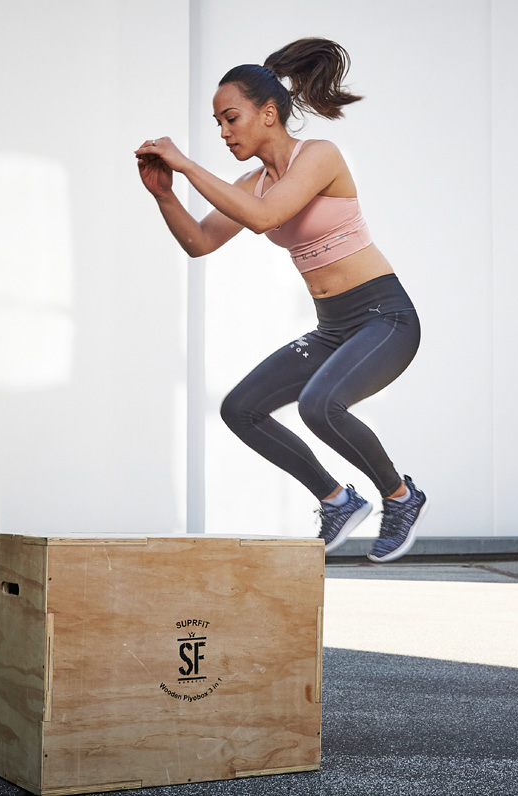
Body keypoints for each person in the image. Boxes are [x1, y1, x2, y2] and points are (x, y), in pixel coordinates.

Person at [135, 37, 428, 562]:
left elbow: (266, 218)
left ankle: (401, 497)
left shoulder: (318, 156)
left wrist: (184, 164)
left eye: (231, 119)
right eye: (218, 123)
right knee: (241, 409)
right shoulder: (252, 181)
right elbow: (199, 242)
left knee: (320, 405)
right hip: (333, 327)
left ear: (268, 113)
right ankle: (337, 500)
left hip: (386, 317)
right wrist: (165, 194)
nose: (223, 133)